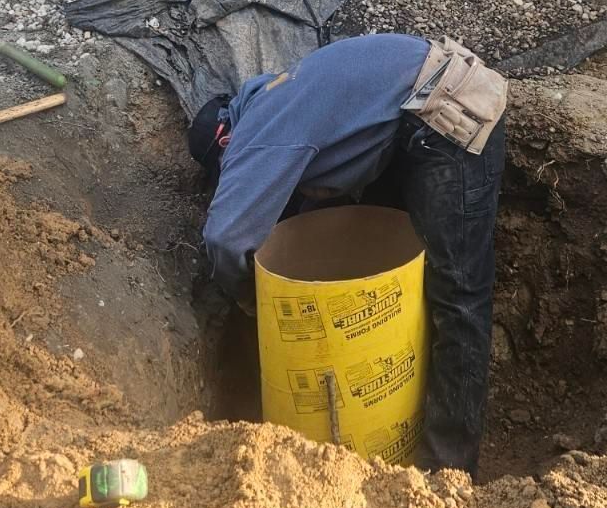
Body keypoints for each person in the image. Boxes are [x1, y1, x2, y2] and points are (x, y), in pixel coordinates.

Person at [188, 32, 507, 476]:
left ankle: (447, 475)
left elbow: (225, 238)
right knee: (402, 267)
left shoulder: (254, 134)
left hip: (446, 114)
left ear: (225, 143)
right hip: (419, 104)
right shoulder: (280, 93)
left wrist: (257, 304)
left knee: (459, 295)